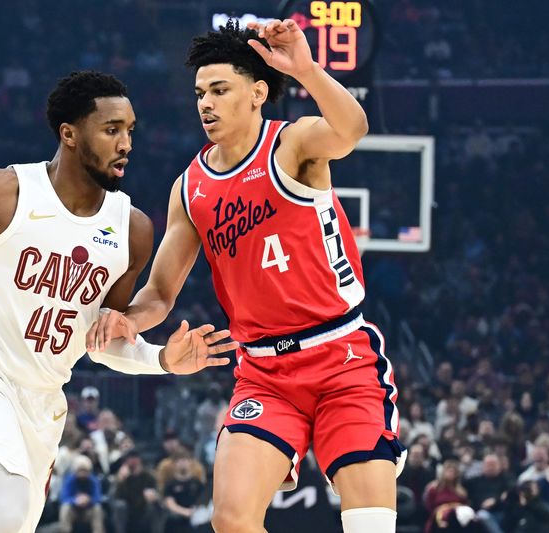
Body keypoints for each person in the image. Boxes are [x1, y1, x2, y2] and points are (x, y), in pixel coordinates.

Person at [87, 19, 405, 532]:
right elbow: (161, 291)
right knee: (231, 520)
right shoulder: (190, 187)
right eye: (199, 93)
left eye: (219, 90)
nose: (205, 104)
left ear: (257, 93)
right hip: (264, 373)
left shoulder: (294, 144)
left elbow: (353, 129)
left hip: (340, 358)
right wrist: (131, 320)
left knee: (370, 523)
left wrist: (306, 69)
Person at [0, 70, 236, 532]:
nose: (126, 143)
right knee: (2, 509)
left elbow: (102, 339)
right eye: (112, 130)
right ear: (69, 134)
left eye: (130, 130)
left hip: (43, 405)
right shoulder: (3, 192)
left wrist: (161, 360)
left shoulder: (132, 230)